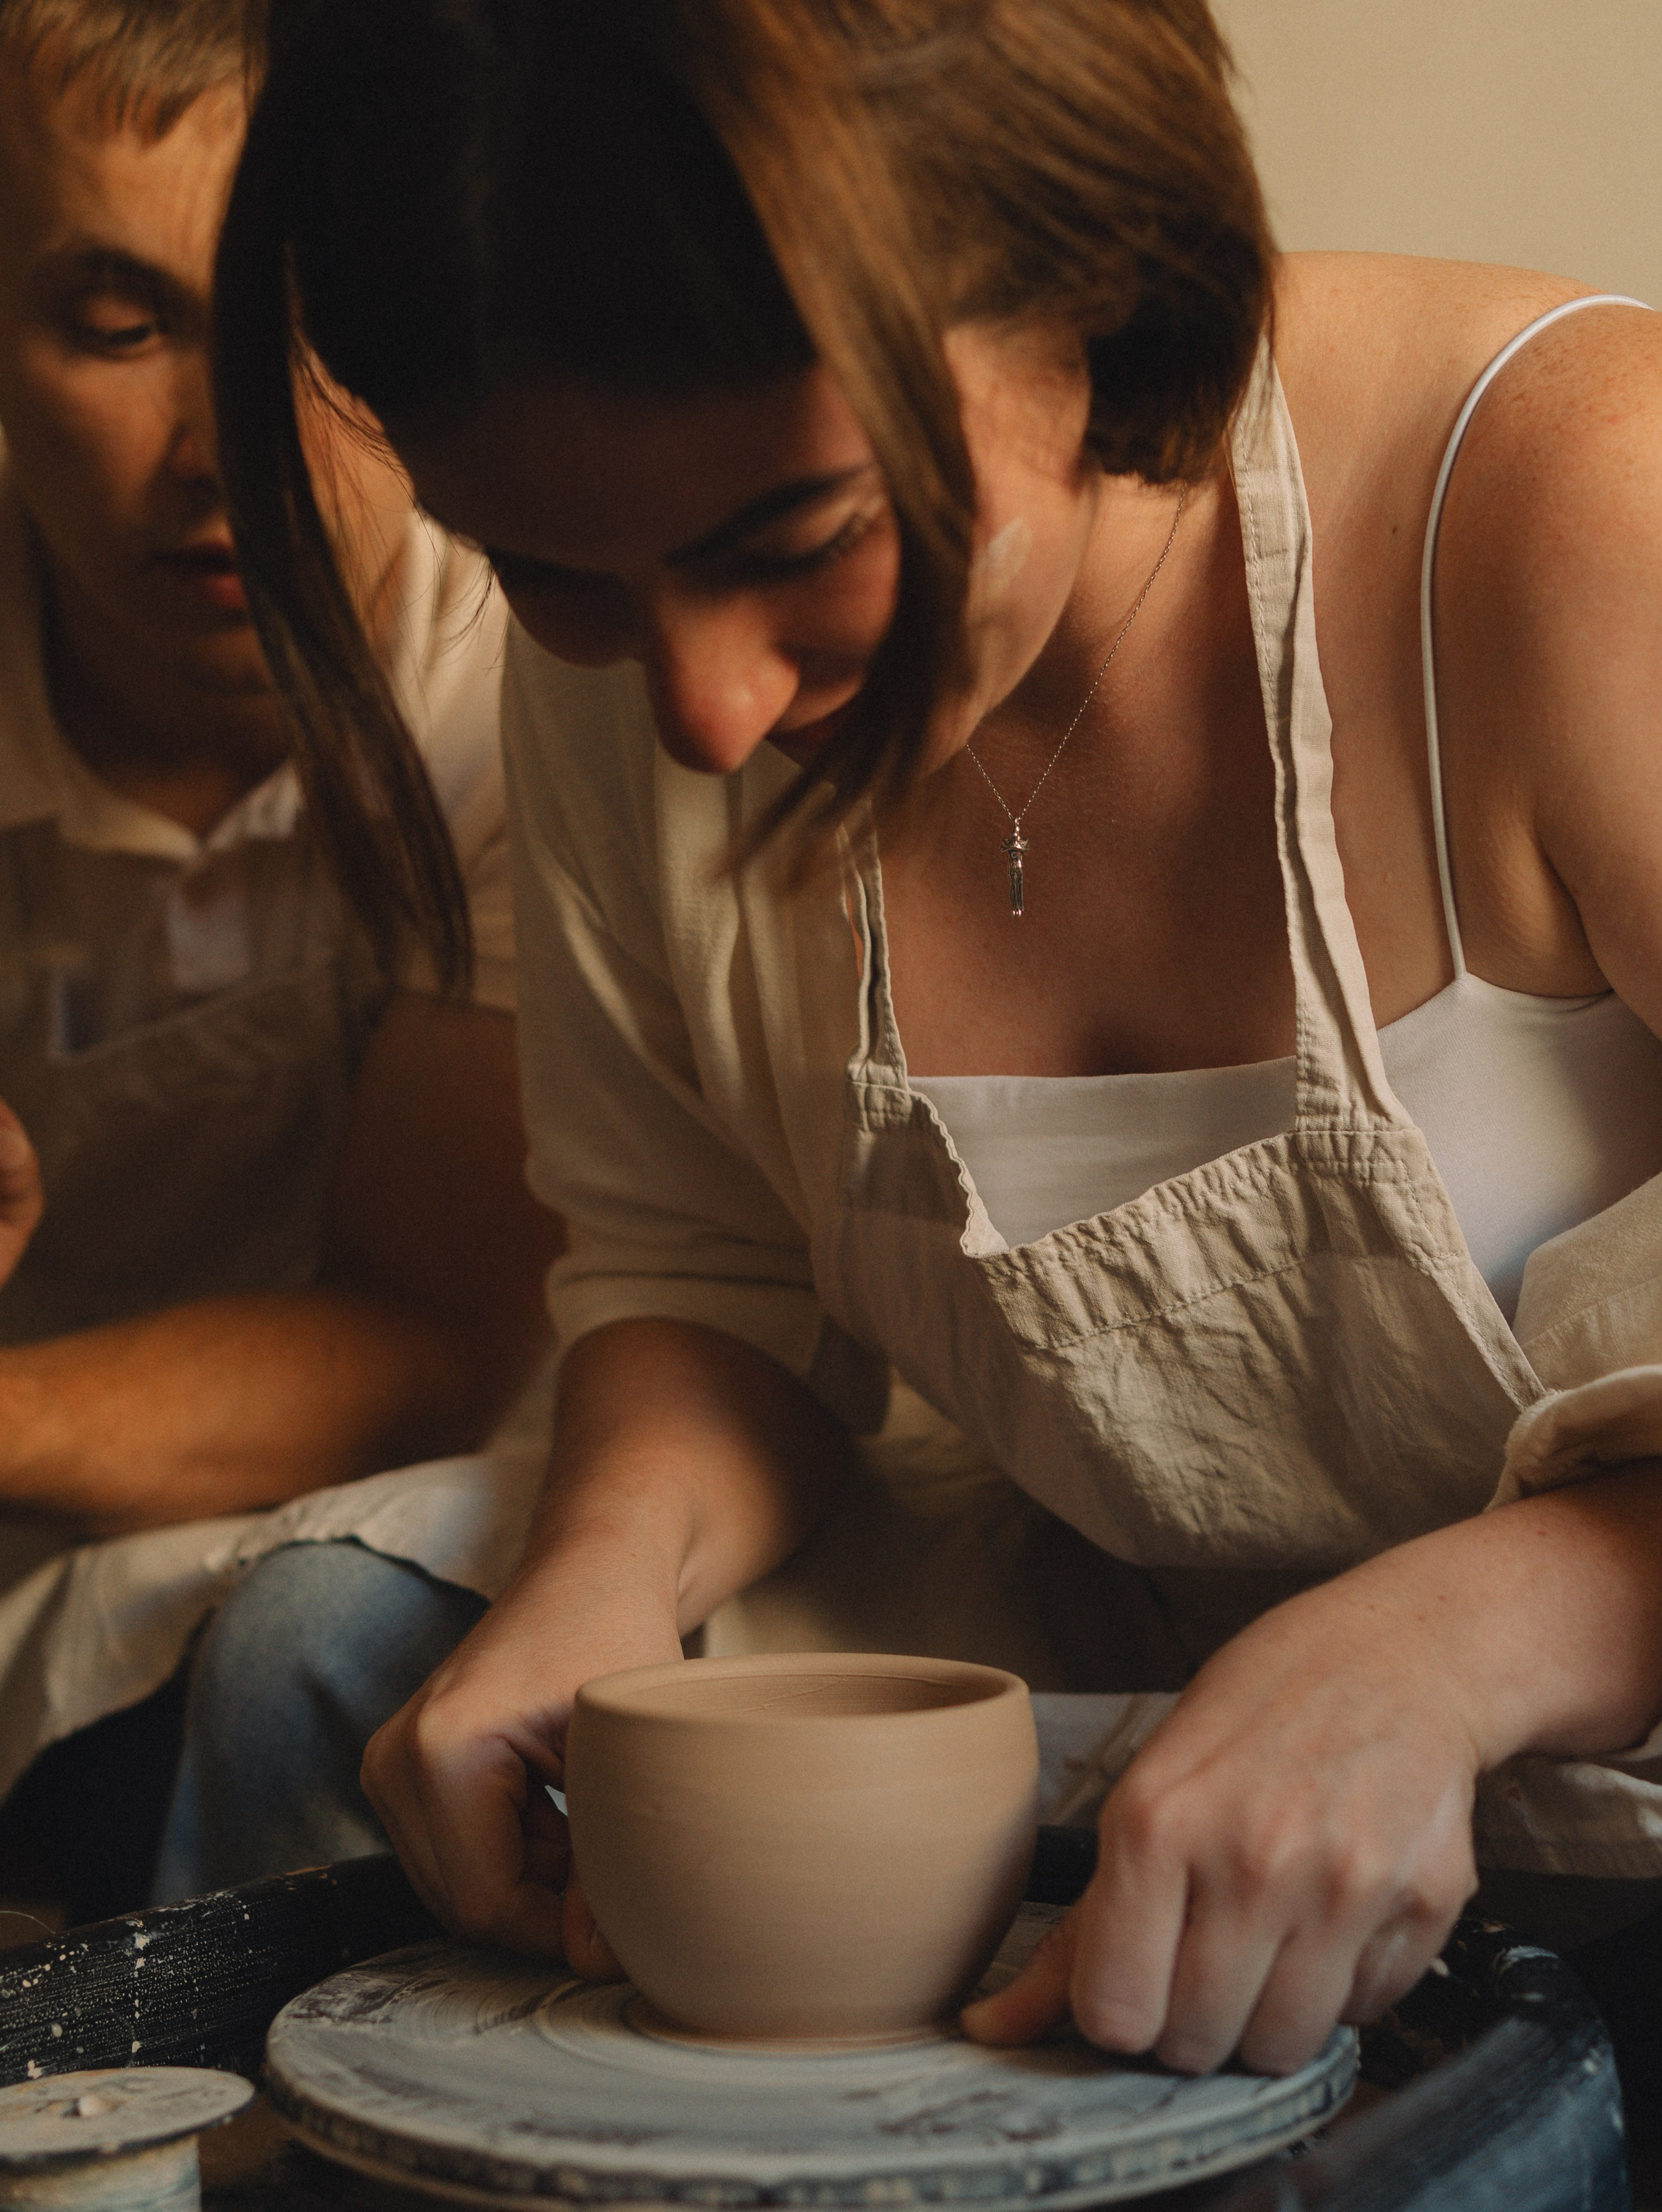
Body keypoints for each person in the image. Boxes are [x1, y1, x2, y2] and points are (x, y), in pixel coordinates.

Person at [210, 0, 1662, 2084]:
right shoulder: (648, 659)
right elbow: (711, 1279)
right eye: (552, 575)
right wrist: (604, 1575)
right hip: (1159, 1704)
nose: (704, 711)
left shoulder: (1587, 512)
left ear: (1098, 278)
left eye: (794, 543)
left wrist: (1476, 1634)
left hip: (1610, 1762)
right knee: (317, 1652)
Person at [0, 0, 565, 1919]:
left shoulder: (543, 667)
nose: (220, 437)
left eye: (314, 320)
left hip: (419, 1541)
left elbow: (425, 1336)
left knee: (300, 1649)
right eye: (121, 320)